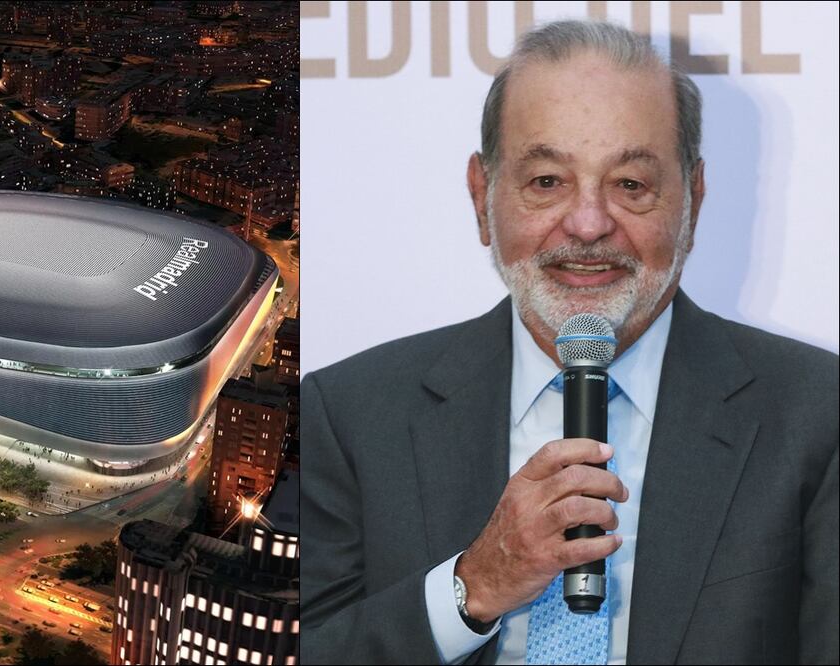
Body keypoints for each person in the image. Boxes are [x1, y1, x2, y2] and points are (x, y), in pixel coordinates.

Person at [300, 19, 838, 666]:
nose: (587, 224)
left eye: (630, 185)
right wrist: (473, 586)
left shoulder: (815, 415)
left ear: (692, 201)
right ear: (481, 198)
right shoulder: (346, 412)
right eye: (547, 182)